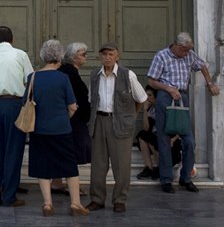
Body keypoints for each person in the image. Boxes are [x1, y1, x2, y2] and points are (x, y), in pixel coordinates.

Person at [147, 32, 220, 194]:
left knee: (189, 141)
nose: (187, 53)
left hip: (182, 97)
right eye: (185, 50)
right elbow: (151, 80)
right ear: (177, 46)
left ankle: (185, 177)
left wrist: (209, 83)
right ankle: (165, 180)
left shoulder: (189, 55)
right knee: (164, 139)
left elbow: (202, 65)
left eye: (189, 50)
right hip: (166, 97)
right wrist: (168, 88)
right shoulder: (162, 56)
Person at [25, 40, 90, 217]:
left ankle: (47, 204)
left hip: (39, 129)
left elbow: (27, 103)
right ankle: (75, 204)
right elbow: (73, 106)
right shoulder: (63, 78)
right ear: (60, 56)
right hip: (61, 128)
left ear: (43, 56)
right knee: (70, 167)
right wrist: (64, 119)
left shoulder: (33, 77)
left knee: (43, 166)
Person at [85, 43, 148, 213]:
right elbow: (92, 100)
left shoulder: (128, 75)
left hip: (120, 123)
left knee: (121, 164)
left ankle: (120, 199)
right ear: (100, 56)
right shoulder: (94, 75)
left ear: (117, 56)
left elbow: (141, 98)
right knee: (98, 163)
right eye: (104, 54)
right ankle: (97, 199)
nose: (107, 57)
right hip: (99, 120)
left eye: (111, 54)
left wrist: (131, 116)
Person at [0, 26, 33, 207]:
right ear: (12, 39)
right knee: (13, 151)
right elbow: (31, 78)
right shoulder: (20, 55)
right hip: (15, 104)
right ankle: (9, 196)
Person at [52, 42, 92, 196]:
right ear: (73, 57)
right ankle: (70, 185)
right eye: (83, 54)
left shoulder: (67, 72)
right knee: (71, 152)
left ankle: (57, 182)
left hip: (70, 118)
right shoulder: (69, 73)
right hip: (72, 119)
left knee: (65, 151)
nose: (86, 57)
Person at [135, 85, 159, 180]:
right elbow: (146, 128)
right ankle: (149, 167)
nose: (147, 98)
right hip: (154, 137)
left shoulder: (161, 107)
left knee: (151, 139)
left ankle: (160, 167)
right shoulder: (150, 109)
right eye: (146, 95)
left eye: (150, 95)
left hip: (163, 138)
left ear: (155, 97)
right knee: (142, 135)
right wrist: (144, 110)